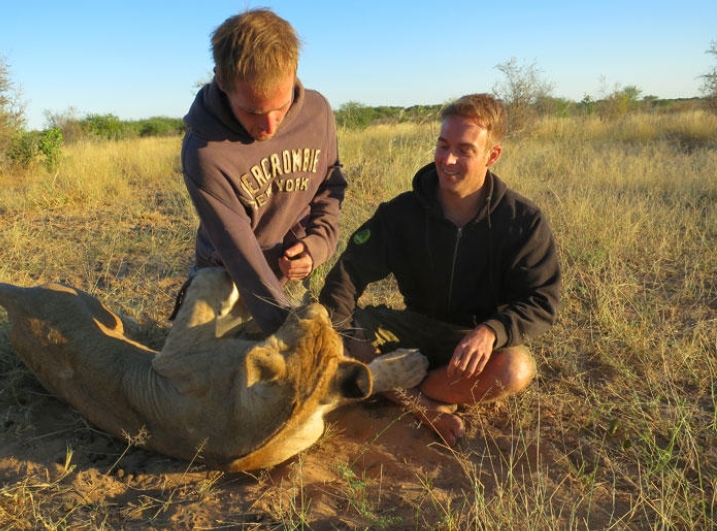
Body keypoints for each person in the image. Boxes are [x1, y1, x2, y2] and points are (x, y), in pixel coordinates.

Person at [319, 93, 560, 446]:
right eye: (443, 145)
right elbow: (346, 276)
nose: (447, 160)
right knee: (331, 333)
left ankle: (388, 385)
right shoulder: (400, 213)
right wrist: (350, 335)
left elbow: (540, 300)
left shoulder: (522, 221)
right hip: (410, 327)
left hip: (468, 342)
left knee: (516, 369)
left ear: (492, 156)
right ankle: (423, 403)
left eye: (464, 150)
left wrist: (491, 332)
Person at [180, 8, 346, 335]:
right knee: (211, 376)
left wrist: (317, 245)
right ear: (221, 80)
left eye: (281, 108)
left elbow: (330, 185)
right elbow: (240, 257)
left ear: (294, 70)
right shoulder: (205, 152)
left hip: (292, 271)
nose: (268, 126)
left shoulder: (318, 112)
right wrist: (287, 333)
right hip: (227, 278)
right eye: (253, 111)